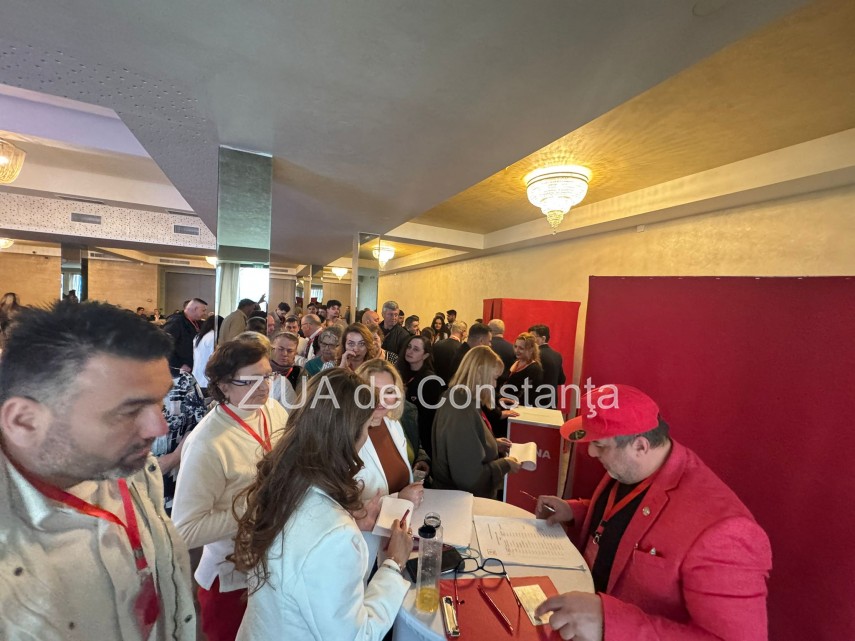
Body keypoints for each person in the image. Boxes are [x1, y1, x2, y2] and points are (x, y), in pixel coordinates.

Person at [0, 300, 195, 640]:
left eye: (159, 401)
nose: (159, 427)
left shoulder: (129, 466)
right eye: (129, 410)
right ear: (25, 421)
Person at [535, 384, 772, 641]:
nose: (591, 452)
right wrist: (574, 511)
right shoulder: (632, 466)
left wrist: (609, 623)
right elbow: (623, 519)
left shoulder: (727, 532)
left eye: (600, 445)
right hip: (578, 609)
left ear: (640, 446)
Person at [231, 369, 413, 640]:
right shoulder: (335, 537)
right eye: (366, 428)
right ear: (348, 436)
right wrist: (394, 563)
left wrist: (351, 519)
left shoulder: (285, 481)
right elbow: (357, 636)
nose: (367, 437)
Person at [171, 339, 289, 641]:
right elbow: (184, 530)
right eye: (250, 381)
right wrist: (254, 508)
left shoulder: (273, 409)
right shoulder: (207, 443)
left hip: (275, 567)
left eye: (267, 376)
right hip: (231, 580)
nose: (263, 387)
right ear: (223, 385)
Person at [353, 359, 425, 573]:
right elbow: (342, 508)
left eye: (389, 391)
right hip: (365, 551)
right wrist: (400, 500)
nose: (381, 400)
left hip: (398, 542)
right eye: (373, 391)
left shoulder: (392, 424)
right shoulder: (348, 437)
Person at [431, 346, 521, 498]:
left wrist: (492, 443)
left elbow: (464, 443)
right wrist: (505, 464)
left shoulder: (461, 398)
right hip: (459, 501)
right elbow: (470, 478)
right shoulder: (461, 407)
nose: (494, 385)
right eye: (494, 378)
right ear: (479, 373)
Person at [153, 371, 207, 514]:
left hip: (174, 482)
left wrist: (174, 457)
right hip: (127, 484)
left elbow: (199, 426)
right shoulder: (116, 380)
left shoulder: (184, 380)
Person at [397, 334, 444, 458]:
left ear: (425, 355)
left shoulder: (430, 380)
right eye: (409, 347)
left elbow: (428, 418)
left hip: (419, 437)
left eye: (416, 349)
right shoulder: (399, 372)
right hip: (400, 430)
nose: (410, 351)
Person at [163, 297, 208, 374]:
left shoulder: (197, 322)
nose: (205, 313)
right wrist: (179, 364)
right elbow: (164, 345)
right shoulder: (176, 322)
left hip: (193, 366)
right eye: (203, 310)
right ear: (195, 309)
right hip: (180, 369)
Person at [504, 332, 544, 406]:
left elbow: (530, 394)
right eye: (516, 346)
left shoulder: (535, 369)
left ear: (531, 350)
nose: (517, 350)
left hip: (519, 408)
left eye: (521, 348)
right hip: (506, 405)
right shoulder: (516, 362)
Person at [529, 324, 566, 403]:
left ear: (543, 338)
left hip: (535, 400)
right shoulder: (557, 355)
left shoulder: (534, 355)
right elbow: (562, 380)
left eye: (532, 338)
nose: (530, 341)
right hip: (552, 400)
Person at [269, 331, 306, 409]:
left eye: (290, 351)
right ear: (272, 349)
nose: (285, 354)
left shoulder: (299, 372)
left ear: (295, 353)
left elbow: (300, 401)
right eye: (280, 349)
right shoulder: (263, 370)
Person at [193, 314, 224, 393]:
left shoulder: (198, 336)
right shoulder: (213, 337)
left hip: (197, 375)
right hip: (206, 377)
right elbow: (213, 357)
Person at [433, 319, 466, 384]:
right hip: (452, 385)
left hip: (436, 383)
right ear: (463, 332)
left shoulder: (437, 344)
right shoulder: (462, 349)